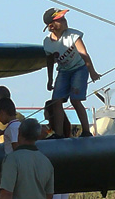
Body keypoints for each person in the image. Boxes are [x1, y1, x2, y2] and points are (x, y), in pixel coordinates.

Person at [43, 8, 100, 137]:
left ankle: (86, 131)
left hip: (79, 69)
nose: (65, 21)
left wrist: (92, 71)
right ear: (51, 26)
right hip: (63, 71)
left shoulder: (73, 35)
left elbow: (84, 54)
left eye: (64, 18)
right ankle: (59, 133)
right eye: (60, 20)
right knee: (56, 101)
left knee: (75, 100)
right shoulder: (47, 43)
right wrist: (50, 79)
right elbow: (50, 61)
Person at [42, 100, 73, 199]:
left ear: (49, 113)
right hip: (65, 170)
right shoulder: (65, 131)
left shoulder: (49, 134)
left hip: (53, 171)